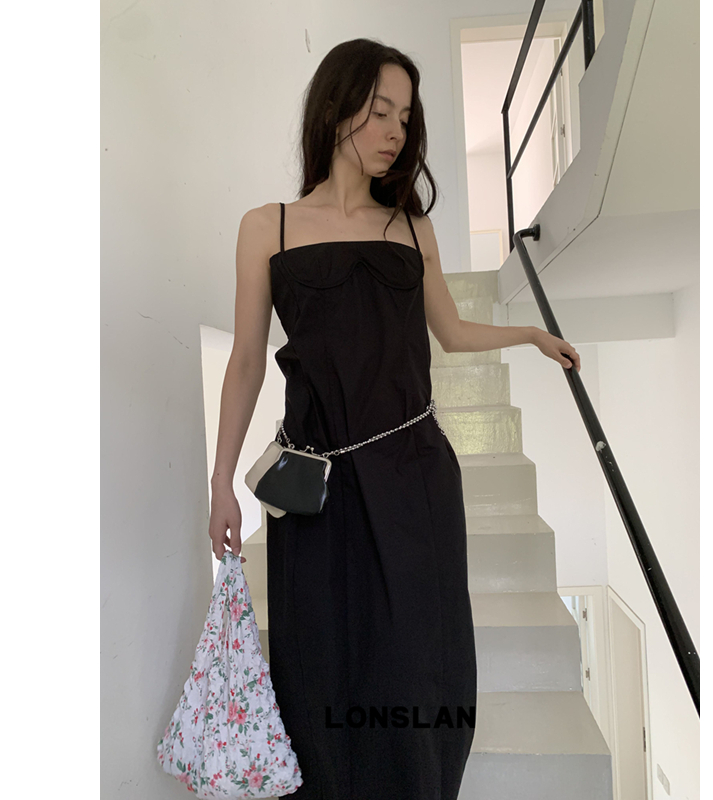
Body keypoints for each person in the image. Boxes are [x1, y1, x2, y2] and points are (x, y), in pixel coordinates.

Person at [208, 37, 580, 800]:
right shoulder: (267, 227)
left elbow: (453, 332)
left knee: (420, 663)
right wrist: (221, 482)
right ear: (335, 107)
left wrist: (530, 334)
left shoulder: (412, 229)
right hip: (315, 489)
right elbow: (246, 360)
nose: (395, 132)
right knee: (320, 665)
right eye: (380, 111)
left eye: (406, 119)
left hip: (413, 479)